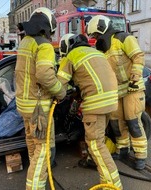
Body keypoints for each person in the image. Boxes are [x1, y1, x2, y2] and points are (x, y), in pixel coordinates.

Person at [57, 33, 122, 189]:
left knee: (95, 144)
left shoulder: (71, 56)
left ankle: (112, 185)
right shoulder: (96, 53)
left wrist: (56, 96)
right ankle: (102, 170)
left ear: (66, 47)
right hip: (111, 101)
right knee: (99, 140)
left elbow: (59, 86)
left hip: (96, 104)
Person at [86, 15, 147, 170]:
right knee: (116, 123)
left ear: (102, 29)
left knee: (133, 121)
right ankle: (122, 149)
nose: (95, 38)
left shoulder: (124, 38)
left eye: (96, 35)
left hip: (133, 88)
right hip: (116, 91)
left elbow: (138, 56)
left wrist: (134, 78)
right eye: (94, 36)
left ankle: (141, 155)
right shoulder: (102, 48)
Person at [15, 7, 66, 190]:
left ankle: (36, 175)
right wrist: (60, 92)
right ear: (48, 25)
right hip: (38, 107)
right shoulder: (43, 45)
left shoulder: (25, 42)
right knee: (43, 149)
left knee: (33, 144)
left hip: (24, 104)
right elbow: (45, 74)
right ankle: (36, 186)